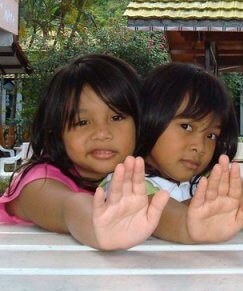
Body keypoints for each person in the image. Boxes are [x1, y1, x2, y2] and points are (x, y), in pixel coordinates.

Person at [0, 54, 169, 250]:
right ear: (56, 130)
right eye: (82, 122)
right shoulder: (39, 181)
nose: (102, 133)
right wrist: (98, 226)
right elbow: (69, 208)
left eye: (116, 117)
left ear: (140, 122)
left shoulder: (138, 177)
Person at [102, 62, 243, 243]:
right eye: (186, 126)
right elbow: (161, 215)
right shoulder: (126, 183)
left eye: (212, 135)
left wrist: (242, 196)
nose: (199, 147)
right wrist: (207, 214)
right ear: (150, 117)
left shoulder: (202, 180)